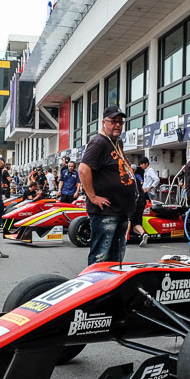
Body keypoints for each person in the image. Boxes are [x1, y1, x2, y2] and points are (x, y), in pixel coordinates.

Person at [78, 105, 137, 265]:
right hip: (106, 212)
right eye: (113, 121)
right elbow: (83, 170)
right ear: (104, 122)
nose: (118, 125)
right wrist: (93, 197)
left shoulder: (117, 143)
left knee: (116, 259)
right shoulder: (99, 142)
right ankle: (94, 288)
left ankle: (111, 289)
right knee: (100, 258)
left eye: (120, 122)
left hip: (120, 211)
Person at [130, 164, 149, 247]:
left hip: (134, 201)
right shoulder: (136, 178)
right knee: (136, 223)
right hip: (142, 200)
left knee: (128, 219)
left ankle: (124, 240)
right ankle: (143, 233)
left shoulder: (127, 178)